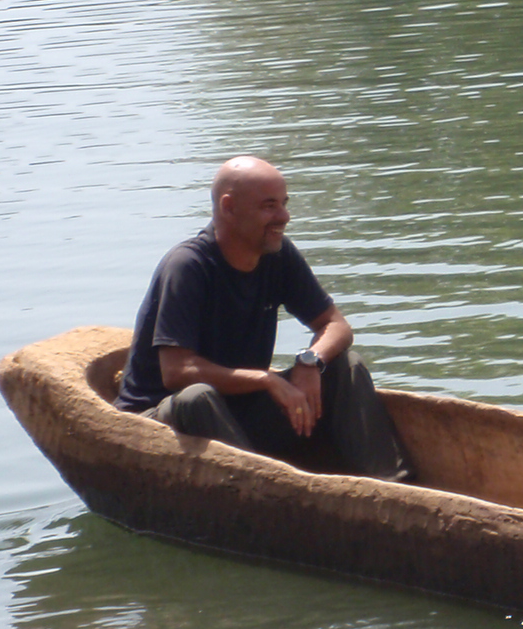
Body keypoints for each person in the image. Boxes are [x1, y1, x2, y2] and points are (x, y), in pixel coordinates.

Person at [113, 156, 409, 480]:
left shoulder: (277, 255)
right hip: (164, 420)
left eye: (284, 204)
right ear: (229, 207)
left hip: (239, 413)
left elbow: (335, 325)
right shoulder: (188, 267)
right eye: (269, 206)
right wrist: (267, 380)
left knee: (345, 365)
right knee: (199, 398)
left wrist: (310, 361)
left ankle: (394, 487)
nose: (284, 216)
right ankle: (264, 491)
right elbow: (177, 372)